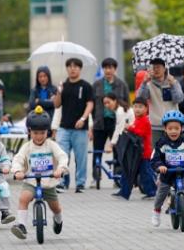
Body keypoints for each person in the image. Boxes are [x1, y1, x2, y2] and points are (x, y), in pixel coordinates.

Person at [10, 106, 69, 240]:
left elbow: (62, 156)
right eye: (35, 133)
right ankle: (21, 225)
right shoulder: (27, 147)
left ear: (47, 132)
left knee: (56, 207)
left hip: (49, 181)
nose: (38, 136)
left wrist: (60, 169)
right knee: (23, 198)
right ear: (29, 132)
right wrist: (18, 171)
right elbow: (18, 159)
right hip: (31, 180)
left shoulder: (51, 145)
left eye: (42, 133)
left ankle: (58, 220)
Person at [151, 110, 184, 227]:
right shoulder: (162, 143)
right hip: (167, 174)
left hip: (182, 172)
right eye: (170, 128)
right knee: (161, 194)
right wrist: (160, 166)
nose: (173, 131)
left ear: (181, 128)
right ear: (165, 129)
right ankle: (156, 212)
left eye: (176, 128)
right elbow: (156, 158)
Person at [53, 58, 94, 193]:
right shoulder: (63, 85)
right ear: (66, 69)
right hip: (64, 127)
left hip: (80, 128)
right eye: (69, 66)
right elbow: (57, 104)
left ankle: (80, 183)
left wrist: (83, 118)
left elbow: (90, 104)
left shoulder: (86, 86)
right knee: (62, 155)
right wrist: (58, 92)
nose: (72, 68)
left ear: (80, 69)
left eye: (76, 66)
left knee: (81, 157)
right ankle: (63, 181)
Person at [91, 58, 130, 188]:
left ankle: (117, 178)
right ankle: (95, 178)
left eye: (111, 67)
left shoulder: (121, 84)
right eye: (106, 68)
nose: (108, 70)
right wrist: (92, 123)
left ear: (115, 69)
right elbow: (93, 105)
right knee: (97, 150)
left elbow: (127, 103)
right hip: (99, 122)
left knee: (118, 150)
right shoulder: (96, 85)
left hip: (116, 122)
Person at [114, 97, 157, 200]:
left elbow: (139, 133)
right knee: (127, 171)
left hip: (143, 154)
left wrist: (130, 128)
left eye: (140, 107)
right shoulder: (137, 120)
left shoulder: (145, 121)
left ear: (146, 109)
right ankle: (124, 192)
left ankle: (152, 192)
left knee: (145, 174)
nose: (137, 109)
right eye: (135, 106)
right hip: (135, 154)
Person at [137, 58, 184, 146]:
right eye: (153, 68)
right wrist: (143, 83)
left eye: (158, 67)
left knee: (173, 153)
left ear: (164, 68)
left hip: (172, 124)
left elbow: (179, 99)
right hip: (155, 126)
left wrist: (173, 85)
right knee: (156, 154)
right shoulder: (148, 84)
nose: (156, 70)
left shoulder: (173, 81)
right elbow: (140, 99)